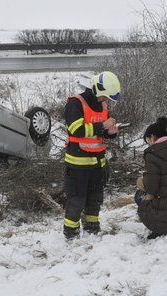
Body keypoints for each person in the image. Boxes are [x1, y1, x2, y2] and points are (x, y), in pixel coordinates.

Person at [63, 71, 121, 239]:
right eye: (105, 97)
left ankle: (92, 229)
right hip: (77, 165)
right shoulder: (76, 103)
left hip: (97, 164)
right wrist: (102, 126)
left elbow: (100, 133)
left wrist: (111, 132)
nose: (106, 101)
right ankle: (71, 234)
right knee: (76, 201)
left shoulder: (102, 106)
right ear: (97, 89)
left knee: (95, 200)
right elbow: (76, 129)